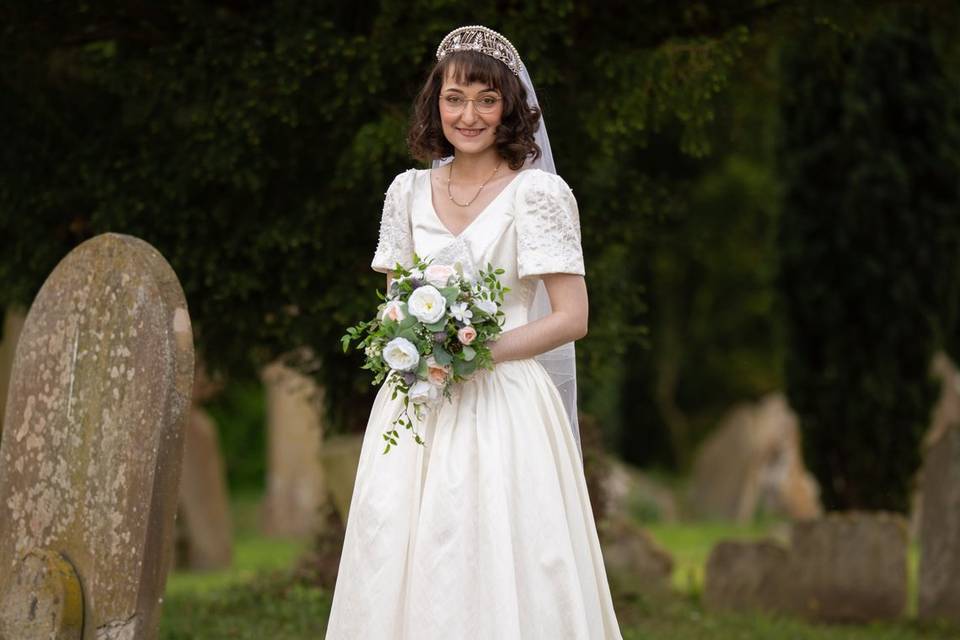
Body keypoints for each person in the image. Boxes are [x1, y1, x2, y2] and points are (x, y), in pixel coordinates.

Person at [326, 25, 622, 639]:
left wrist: (477, 349)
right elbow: (392, 308)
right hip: (417, 407)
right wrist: (413, 341)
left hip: (507, 406)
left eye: (487, 100)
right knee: (401, 550)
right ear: (436, 102)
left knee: (502, 554)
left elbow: (572, 317)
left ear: (510, 109)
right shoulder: (405, 193)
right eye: (455, 98)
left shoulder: (537, 194)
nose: (470, 114)